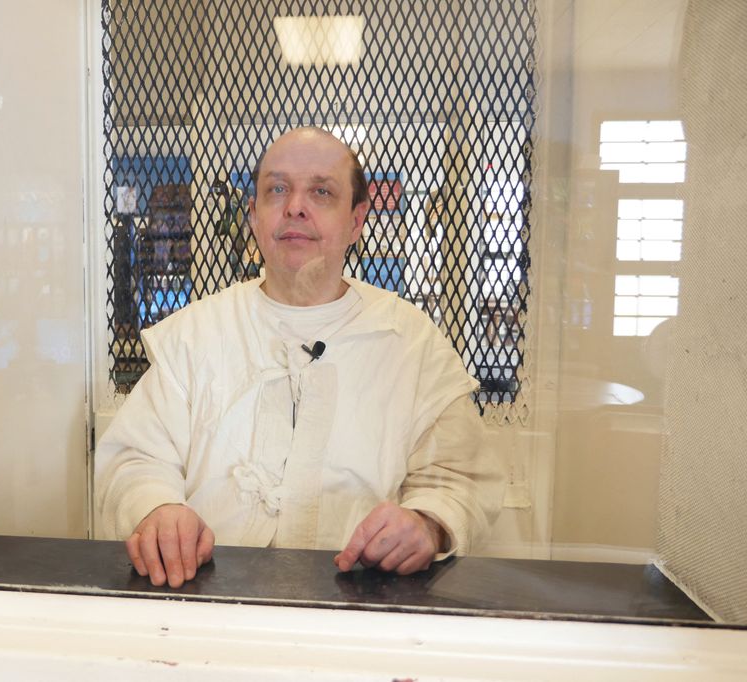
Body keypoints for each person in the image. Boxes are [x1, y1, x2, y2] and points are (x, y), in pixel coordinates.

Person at [96, 127, 503, 588]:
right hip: (207, 601)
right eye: (277, 189)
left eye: (322, 192)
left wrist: (428, 523)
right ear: (254, 215)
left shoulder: (411, 344)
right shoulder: (195, 334)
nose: (294, 206)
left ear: (356, 220)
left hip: (360, 606)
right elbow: (135, 458)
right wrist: (158, 508)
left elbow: (459, 477)